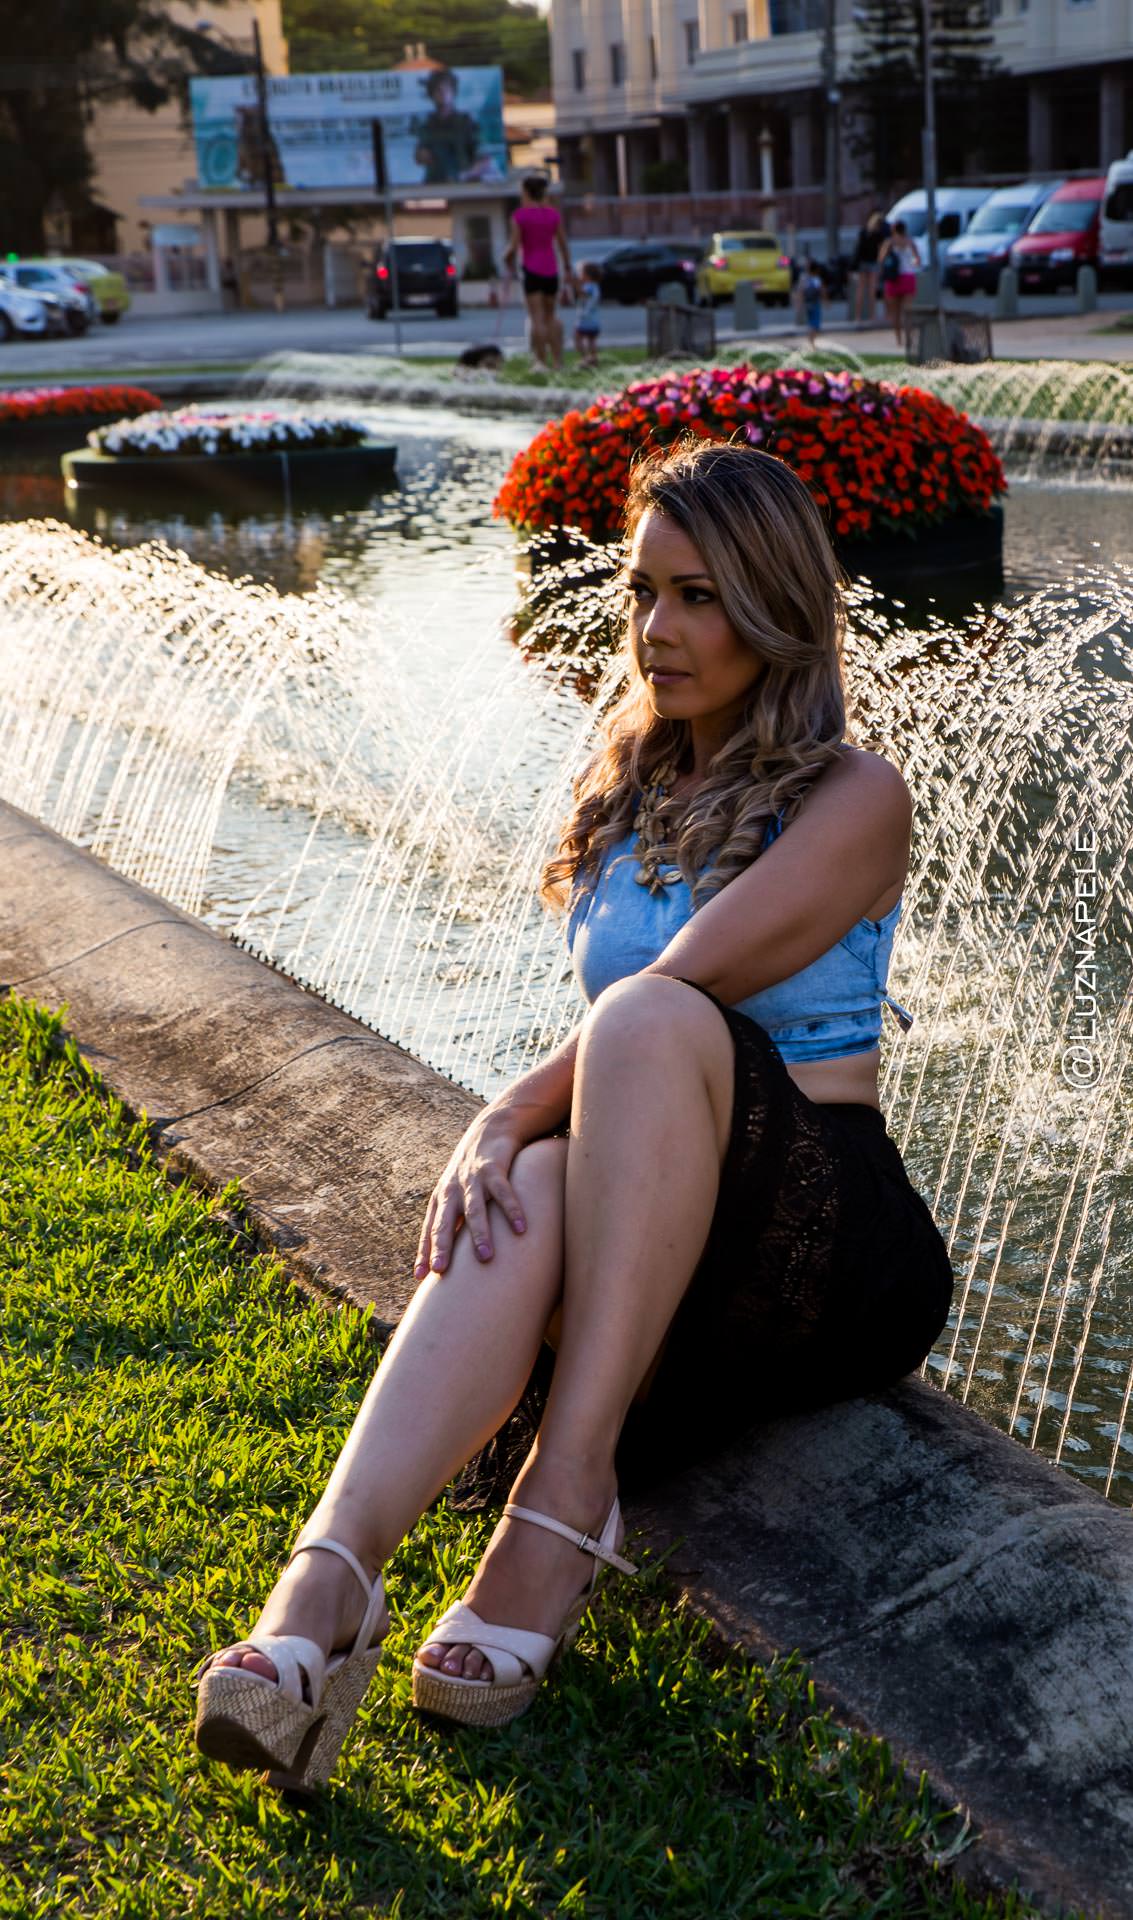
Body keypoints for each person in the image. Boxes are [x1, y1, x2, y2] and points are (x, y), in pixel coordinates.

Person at [191, 439, 955, 1788]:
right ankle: (322, 1592)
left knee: (634, 1034)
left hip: (821, 1237)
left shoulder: (856, 796)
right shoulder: (634, 787)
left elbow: (680, 989)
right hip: (657, 1232)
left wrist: (503, 1109)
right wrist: (518, 1138)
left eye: (700, 597)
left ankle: (563, 1494)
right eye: (643, 591)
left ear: (774, 609)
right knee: (539, 1183)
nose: (658, 629)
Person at [504, 173, 572, 371]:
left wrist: (507, 258)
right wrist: (567, 266)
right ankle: (558, 362)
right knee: (551, 316)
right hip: (551, 270)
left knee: (537, 318)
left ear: (526, 192)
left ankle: (540, 362)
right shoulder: (553, 215)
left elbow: (514, 245)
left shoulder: (520, 216)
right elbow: (563, 244)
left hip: (531, 270)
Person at [412, 69, 495, 185]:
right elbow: (419, 157)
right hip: (433, 185)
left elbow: (485, 160)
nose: (443, 93)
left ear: (453, 92)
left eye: (447, 89)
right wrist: (421, 155)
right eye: (438, 89)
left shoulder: (466, 123)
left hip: (462, 187)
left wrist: (465, 176)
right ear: (431, 94)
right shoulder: (427, 125)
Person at [878, 219, 922, 346]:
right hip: (908, 277)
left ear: (893, 230)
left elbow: (881, 259)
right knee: (907, 311)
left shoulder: (889, 242)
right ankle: (908, 338)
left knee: (895, 312)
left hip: (894, 278)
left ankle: (898, 339)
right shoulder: (910, 242)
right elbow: (917, 260)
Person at [851, 211, 889, 325]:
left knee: (862, 290)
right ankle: (872, 316)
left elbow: (858, 249)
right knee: (870, 291)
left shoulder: (864, 232)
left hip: (863, 262)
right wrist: (880, 263)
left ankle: (858, 317)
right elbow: (881, 250)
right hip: (872, 262)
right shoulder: (879, 234)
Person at [574, 260, 602, 366]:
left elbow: (583, 294)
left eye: (581, 273)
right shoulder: (595, 286)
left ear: (587, 275)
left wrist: (575, 284)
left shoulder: (589, 286)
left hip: (586, 320)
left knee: (577, 338)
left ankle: (585, 358)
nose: (579, 275)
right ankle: (593, 359)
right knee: (591, 341)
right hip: (594, 320)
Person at [800, 258, 824, 347]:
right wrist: (826, 300)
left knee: (810, 323)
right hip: (815, 303)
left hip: (807, 304)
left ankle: (811, 341)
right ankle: (812, 342)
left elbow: (802, 291)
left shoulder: (805, 279)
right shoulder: (816, 279)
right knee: (815, 324)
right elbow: (821, 290)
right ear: (816, 270)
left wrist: (800, 303)